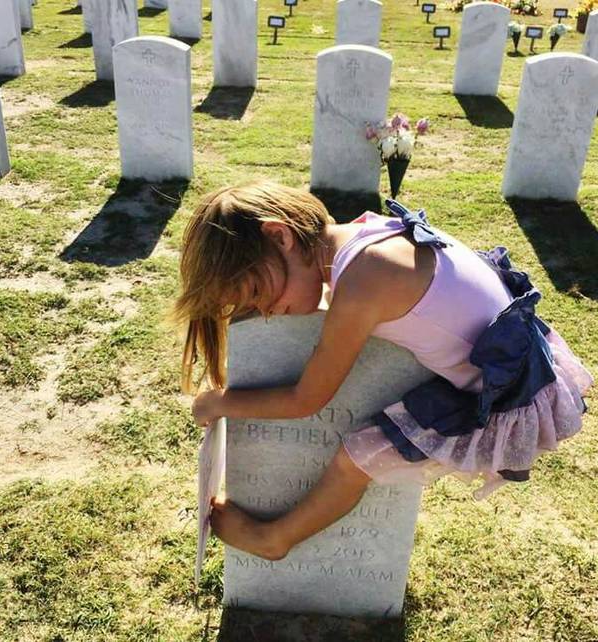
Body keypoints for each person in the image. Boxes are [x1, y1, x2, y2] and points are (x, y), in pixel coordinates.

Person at [172, 181, 593, 561]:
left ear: (279, 235)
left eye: (260, 296)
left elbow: (307, 400)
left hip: (505, 397)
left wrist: (222, 402)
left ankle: (275, 538)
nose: (265, 314)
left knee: (355, 459)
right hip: (525, 362)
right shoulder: (366, 234)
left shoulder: (365, 280)